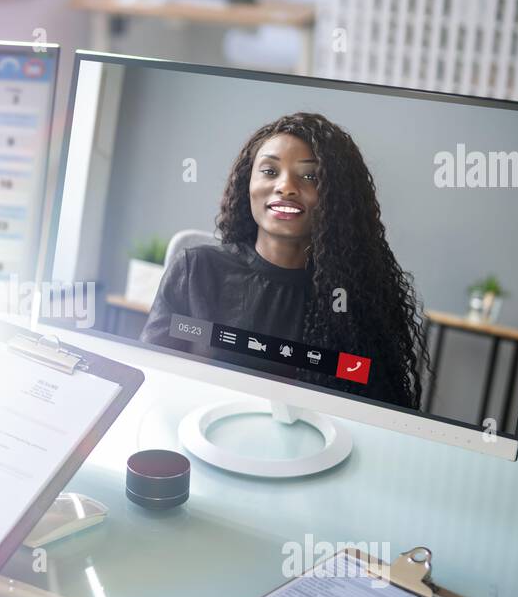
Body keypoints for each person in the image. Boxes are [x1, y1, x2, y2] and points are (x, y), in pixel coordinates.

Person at [142, 112, 428, 410]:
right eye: (269, 171)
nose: (286, 187)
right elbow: (154, 381)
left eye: (309, 177)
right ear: (246, 184)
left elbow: (372, 414)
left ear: (337, 198)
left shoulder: (355, 298)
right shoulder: (197, 270)